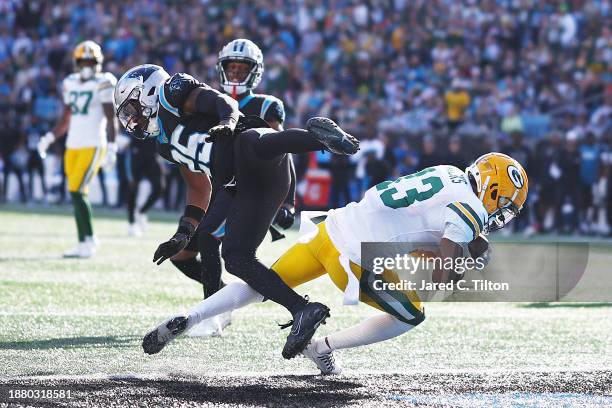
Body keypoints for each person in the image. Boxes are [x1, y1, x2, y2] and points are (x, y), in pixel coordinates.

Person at [139, 153, 528, 375]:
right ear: (493, 191)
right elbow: (441, 267)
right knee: (411, 314)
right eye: (506, 204)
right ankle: (323, 347)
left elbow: (413, 229)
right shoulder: (472, 208)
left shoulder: (448, 174)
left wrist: (452, 250)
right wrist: (458, 266)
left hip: (331, 228)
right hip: (355, 256)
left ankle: (188, 318)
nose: (503, 213)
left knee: (263, 284)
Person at [114, 64, 359, 359]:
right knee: (236, 257)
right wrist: (182, 233)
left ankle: (320, 138)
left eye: (132, 108)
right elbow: (197, 188)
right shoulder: (164, 146)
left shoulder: (172, 94)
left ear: (148, 92)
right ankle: (302, 310)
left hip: (247, 150)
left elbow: (223, 102)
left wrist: (228, 122)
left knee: (252, 141)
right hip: (242, 185)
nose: (133, 118)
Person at [170, 39, 296, 336]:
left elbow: (283, 152)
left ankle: (211, 315)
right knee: (182, 255)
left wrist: (288, 201)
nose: (237, 73)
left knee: (210, 239)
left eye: (243, 68)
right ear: (221, 68)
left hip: (247, 190)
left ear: (255, 72)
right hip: (214, 189)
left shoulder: (266, 105)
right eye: (232, 67)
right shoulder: (206, 103)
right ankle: (224, 299)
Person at [37, 41, 118, 258]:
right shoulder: (70, 83)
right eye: (83, 61)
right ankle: (84, 241)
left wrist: (112, 147)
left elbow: (111, 119)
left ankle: (88, 240)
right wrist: (50, 137)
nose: (86, 65)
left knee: (75, 190)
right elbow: (66, 117)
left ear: (98, 63)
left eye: (90, 61)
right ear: (75, 63)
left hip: (93, 144)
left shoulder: (104, 82)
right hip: (72, 144)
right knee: (76, 192)